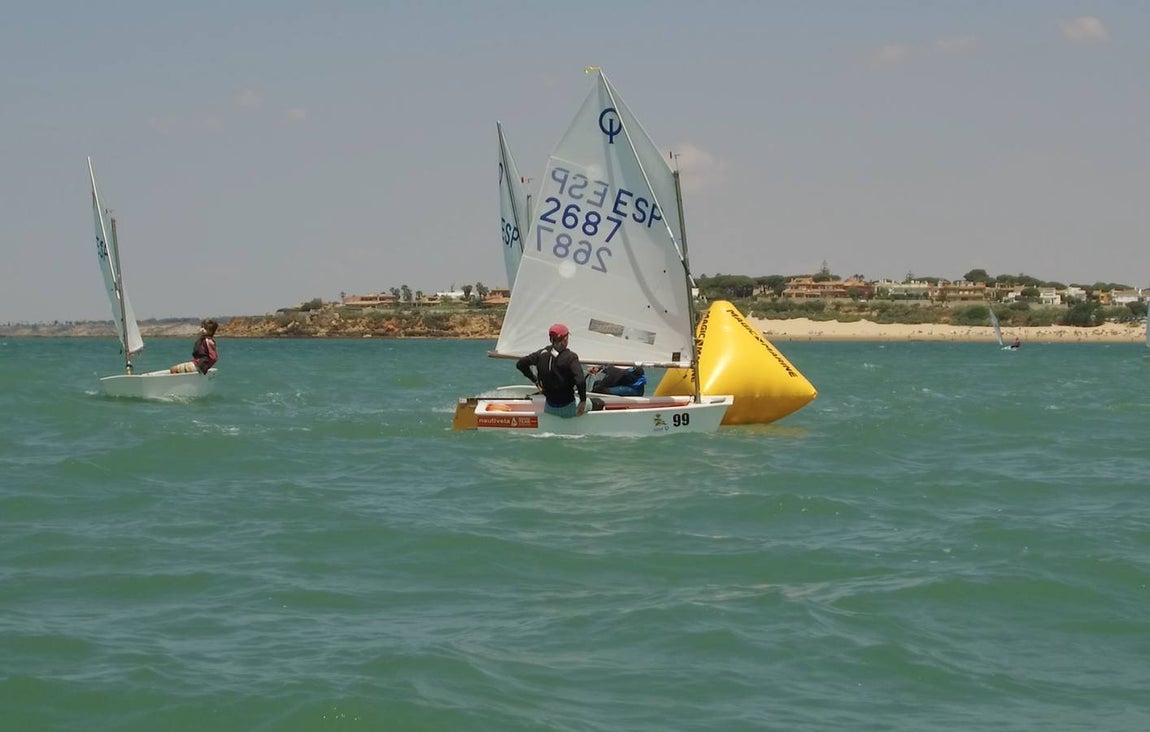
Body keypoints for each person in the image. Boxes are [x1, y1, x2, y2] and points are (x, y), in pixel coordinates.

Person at [516, 323, 587, 417]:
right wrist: (583, 401)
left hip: (549, 408)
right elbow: (580, 381)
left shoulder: (541, 354)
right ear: (565, 339)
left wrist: (536, 382)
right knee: (597, 403)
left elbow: (520, 364)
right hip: (569, 408)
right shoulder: (571, 357)